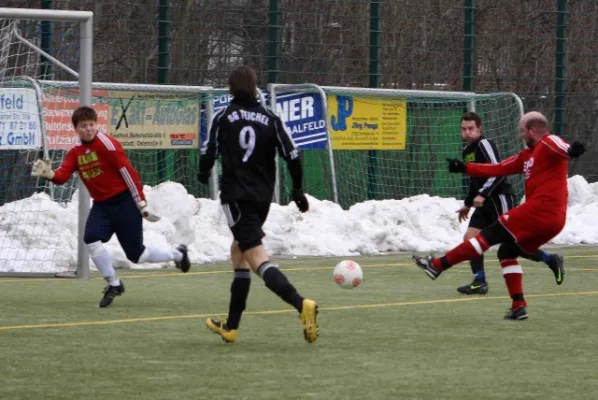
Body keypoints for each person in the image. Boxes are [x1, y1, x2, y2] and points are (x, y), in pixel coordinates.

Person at [413, 111, 585, 320]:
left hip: (540, 211)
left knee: (488, 235)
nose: (520, 136)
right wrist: (465, 167)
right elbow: (499, 167)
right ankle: (518, 306)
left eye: (522, 131)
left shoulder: (548, 141)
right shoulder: (526, 156)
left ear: (533, 130)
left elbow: (563, 148)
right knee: (506, 252)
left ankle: (437, 266)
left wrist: (572, 151)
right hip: (551, 221)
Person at [197, 65, 318, 344]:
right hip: (262, 199)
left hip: (235, 198)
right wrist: (298, 190)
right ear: (255, 88)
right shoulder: (271, 118)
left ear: (230, 88)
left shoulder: (224, 116)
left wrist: (202, 174)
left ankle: (302, 305)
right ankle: (231, 326)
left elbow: (209, 152)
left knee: (256, 259)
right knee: (238, 252)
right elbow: (293, 156)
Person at [31, 106, 190, 308]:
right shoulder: (75, 153)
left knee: (137, 255)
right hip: (102, 207)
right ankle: (114, 283)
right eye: (83, 126)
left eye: (91, 124)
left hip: (125, 203)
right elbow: (62, 177)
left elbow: (127, 171)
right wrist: (50, 174)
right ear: (76, 129)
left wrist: (140, 202)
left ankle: (178, 254)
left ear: (97, 124)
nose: (88, 129)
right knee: (90, 238)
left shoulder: (107, 143)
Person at [455, 112, 561, 295]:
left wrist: (483, 194)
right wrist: (467, 203)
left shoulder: (484, 144)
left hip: (499, 198)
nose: (467, 132)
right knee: (470, 239)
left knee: (514, 243)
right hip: (483, 204)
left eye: (471, 128)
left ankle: (550, 259)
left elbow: (498, 170)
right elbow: (475, 179)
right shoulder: (467, 151)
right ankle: (479, 281)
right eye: (464, 129)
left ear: (479, 129)